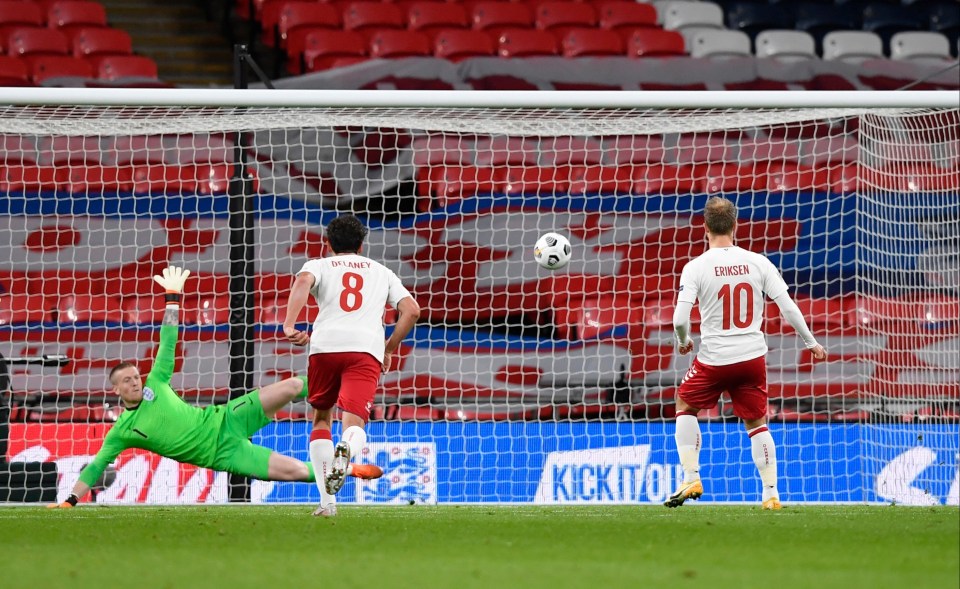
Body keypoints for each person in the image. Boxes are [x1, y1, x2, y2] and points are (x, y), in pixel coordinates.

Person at [48, 265, 381, 509]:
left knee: (294, 385)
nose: (135, 381)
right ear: (116, 391)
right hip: (224, 454)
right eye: (127, 381)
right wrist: (71, 500)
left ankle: (352, 391)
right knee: (294, 471)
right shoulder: (123, 430)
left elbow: (168, 342)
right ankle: (348, 469)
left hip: (226, 418)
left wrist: (173, 299)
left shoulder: (157, 381)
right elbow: (96, 464)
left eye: (135, 376)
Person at [667, 197, 827, 511]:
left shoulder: (695, 267)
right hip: (752, 358)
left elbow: (678, 319)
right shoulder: (758, 262)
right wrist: (811, 343)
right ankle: (770, 494)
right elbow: (788, 308)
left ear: (705, 228)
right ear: (736, 225)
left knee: (685, 403)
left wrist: (683, 340)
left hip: (714, 359)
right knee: (756, 423)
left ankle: (691, 476)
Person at [283, 214, 420, 517]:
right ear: (361, 244)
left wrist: (290, 324)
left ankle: (327, 504)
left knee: (321, 419)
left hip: (324, 348)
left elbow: (303, 281)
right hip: (364, 350)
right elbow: (411, 310)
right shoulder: (382, 271)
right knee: (353, 424)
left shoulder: (317, 265)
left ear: (328, 243)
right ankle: (346, 447)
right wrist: (388, 348)